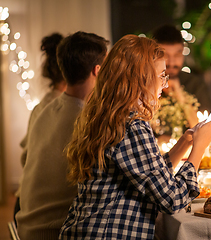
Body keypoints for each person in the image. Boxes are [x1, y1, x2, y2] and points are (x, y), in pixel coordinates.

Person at [59, 35, 211, 240]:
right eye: (161, 75)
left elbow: (150, 173)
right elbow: (173, 200)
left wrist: (185, 142)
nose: (165, 83)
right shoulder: (132, 125)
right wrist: (199, 147)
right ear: (140, 78)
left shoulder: (111, 114)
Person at [16, 31, 109, 240]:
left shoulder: (47, 108)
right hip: (52, 232)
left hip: (26, 223)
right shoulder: (85, 120)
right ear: (98, 71)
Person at [14, 32, 66, 224]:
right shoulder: (60, 108)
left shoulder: (43, 106)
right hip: (34, 209)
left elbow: (26, 157)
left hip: (25, 201)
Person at [151, 25, 211, 140]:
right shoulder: (144, 85)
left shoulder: (195, 84)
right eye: (165, 55)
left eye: (177, 54)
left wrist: (180, 94)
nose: (172, 62)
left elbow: (203, 130)